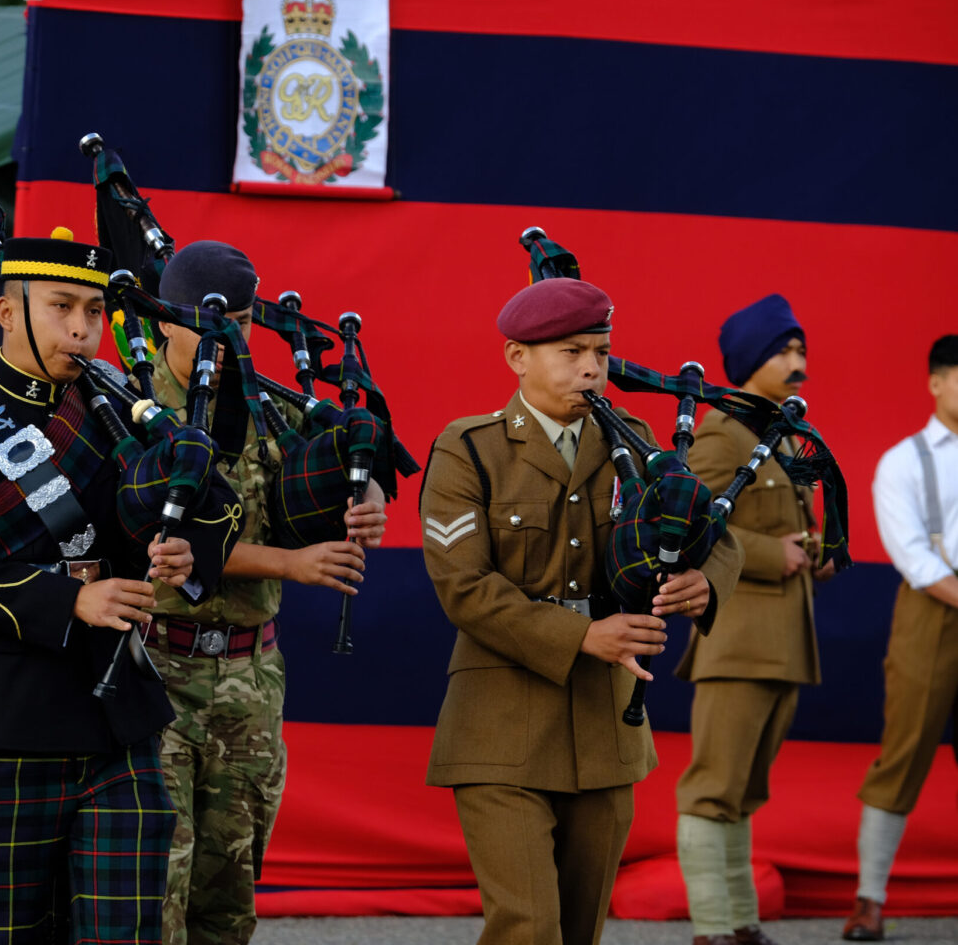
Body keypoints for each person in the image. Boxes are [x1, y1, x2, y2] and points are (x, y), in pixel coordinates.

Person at [0, 227, 237, 945]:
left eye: (92, 312)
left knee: (125, 931)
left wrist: (183, 551)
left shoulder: (125, 422)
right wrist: (71, 598)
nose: (81, 329)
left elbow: (214, 502)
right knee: (0, 936)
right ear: (8, 311)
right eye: (60, 307)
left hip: (119, 719)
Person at [420, 277, 744, 945]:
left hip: (604, 729)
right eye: (570, 351)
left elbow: (722, 539)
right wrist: (583, 633)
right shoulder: (468, 447)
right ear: (517, 357)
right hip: (498, 726)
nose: (592, 366)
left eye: (599, 349)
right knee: (529, 929)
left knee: (578, 931)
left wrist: (704, 583)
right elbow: (464, 586)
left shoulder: (638, 444)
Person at [144, 241, 389, 945]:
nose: (231, 338)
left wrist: (363, 497)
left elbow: (342, 465)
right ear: (165, 321)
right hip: (158, 670)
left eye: (245, 322)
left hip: (250, 676)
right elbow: (167, 546)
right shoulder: (132, 409)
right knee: (160, 888)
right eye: (211, 321)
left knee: (229, 897)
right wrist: (293, 564)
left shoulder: (271, 410)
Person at [673, 293, 833, 945]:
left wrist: (817, 549)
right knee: (714, 787)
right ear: (748, 361)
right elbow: (693, 524)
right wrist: (775, 554)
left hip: (783, 642)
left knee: (743, 791)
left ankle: (740, 924)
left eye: (800, 350)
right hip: (736, 637)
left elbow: (790, 529)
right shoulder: (720, 432)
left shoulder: (778, 437)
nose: (797, 362)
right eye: (782, 351)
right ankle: (713, 927)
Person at [842, 334, 958, 942]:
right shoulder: (904, 460)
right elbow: (913, 556)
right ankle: (869, 898)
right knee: (906, 748)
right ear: (936, 383)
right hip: (934, 610)